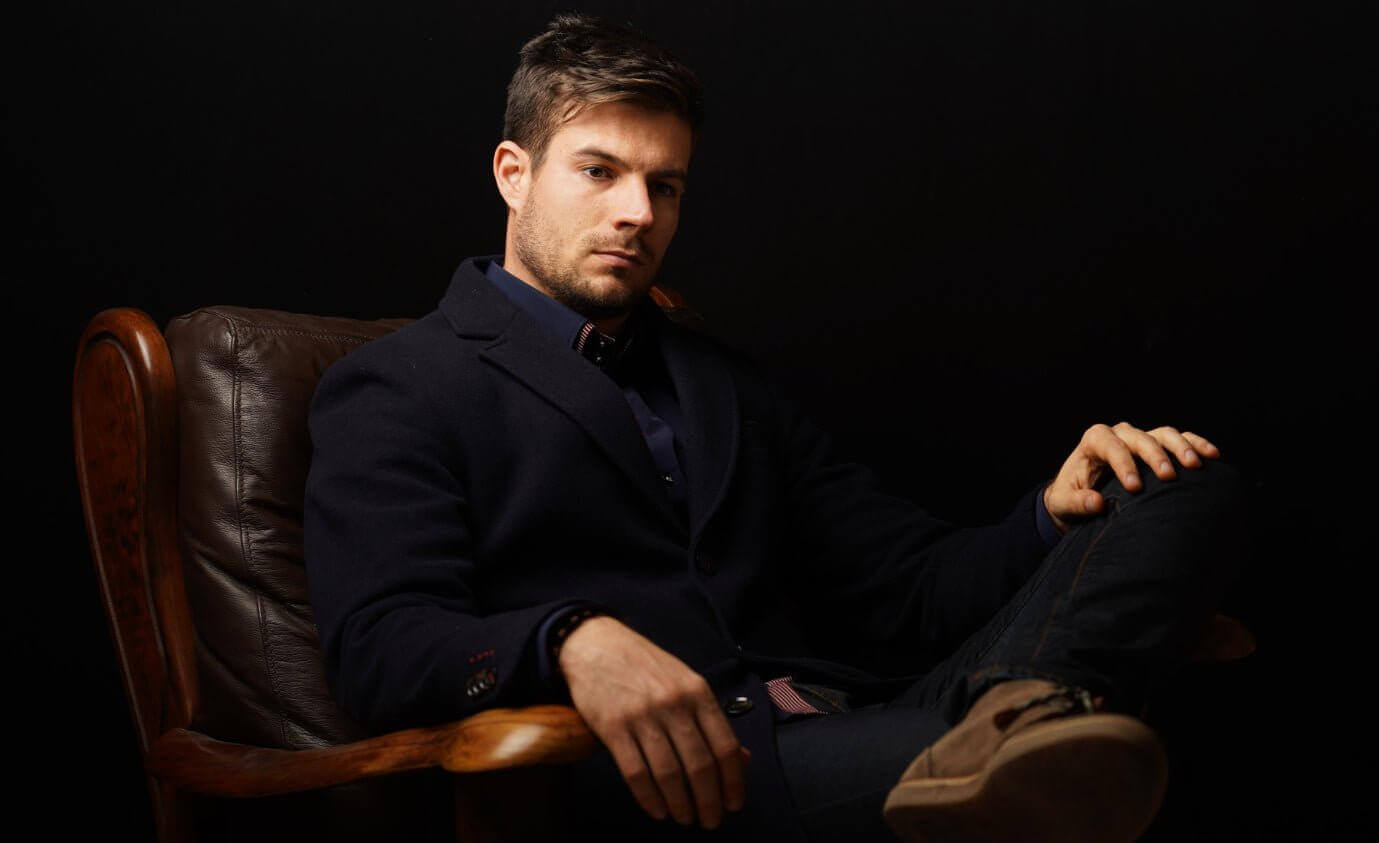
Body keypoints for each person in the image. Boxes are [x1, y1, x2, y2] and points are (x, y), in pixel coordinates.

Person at [304, 13, 1248, 843]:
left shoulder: (719, 380)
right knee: (1023, 750)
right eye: (600, 171)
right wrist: (566, 639)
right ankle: (1027, 741)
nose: (637, 212)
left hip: (860, 717)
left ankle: (1019, 730)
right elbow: (380, 646)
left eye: (664, 185)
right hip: (683, 771)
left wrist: (1050, 511)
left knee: (1171, 481)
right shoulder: (396, 384)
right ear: (515, 174)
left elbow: (913, 588)